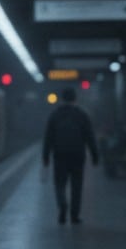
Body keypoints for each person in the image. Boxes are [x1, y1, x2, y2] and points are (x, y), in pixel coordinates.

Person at [42, 86, 98, 224]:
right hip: (78, 155)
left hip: (60, 155)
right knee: (76, 185)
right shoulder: (82, 114)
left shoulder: (55, 114)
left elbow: (48, 137)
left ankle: (62, 205)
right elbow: (90, 136)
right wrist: (95, 154)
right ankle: (74, 216)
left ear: (62, 98)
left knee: (60, 183)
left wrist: (46, 156)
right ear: (75, 98)